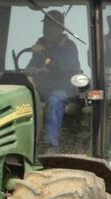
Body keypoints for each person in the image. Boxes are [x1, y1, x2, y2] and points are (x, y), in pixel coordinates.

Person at [25, 11, 81, 149]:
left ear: (61, 28)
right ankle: (26, 144)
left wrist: (43, 53)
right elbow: (32, 66)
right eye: (46, 25)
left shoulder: (68, 46)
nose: (47, 29)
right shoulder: (41, 44)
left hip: (64, 88)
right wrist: (30, 70)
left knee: (54, 101)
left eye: (51, 25)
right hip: (42, 89)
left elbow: (60, 68)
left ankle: (50, 145)